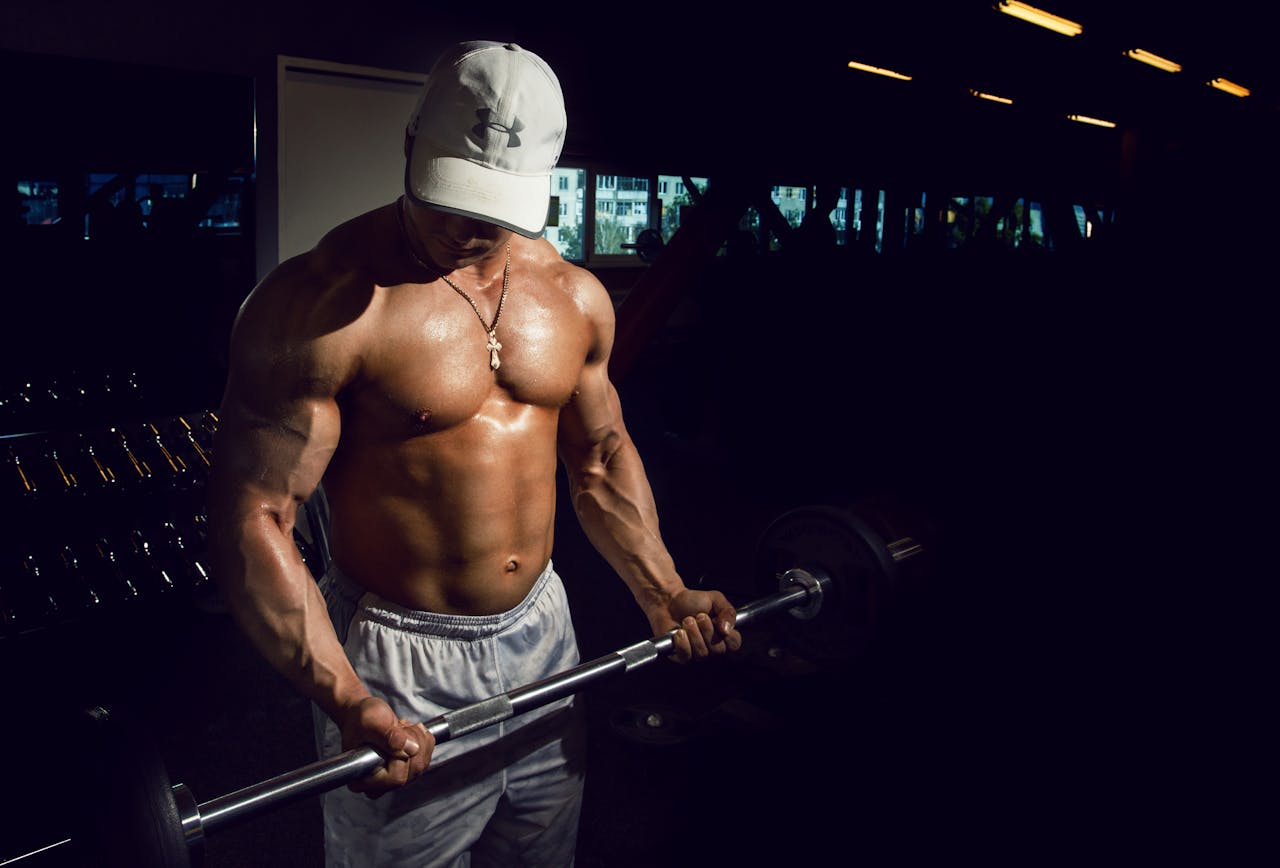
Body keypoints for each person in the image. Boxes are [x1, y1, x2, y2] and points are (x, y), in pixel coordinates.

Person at [206, 39, 742, 867]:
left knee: (538, 855)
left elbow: (599, 456)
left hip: (543, 636)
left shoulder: (572, 298)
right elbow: (256, 516)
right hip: (396, 653)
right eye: (449, 197)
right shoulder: (319, 308)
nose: (466, 229)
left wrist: (662, 589)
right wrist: (344, 696)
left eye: (495, 208)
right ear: (411, 143)